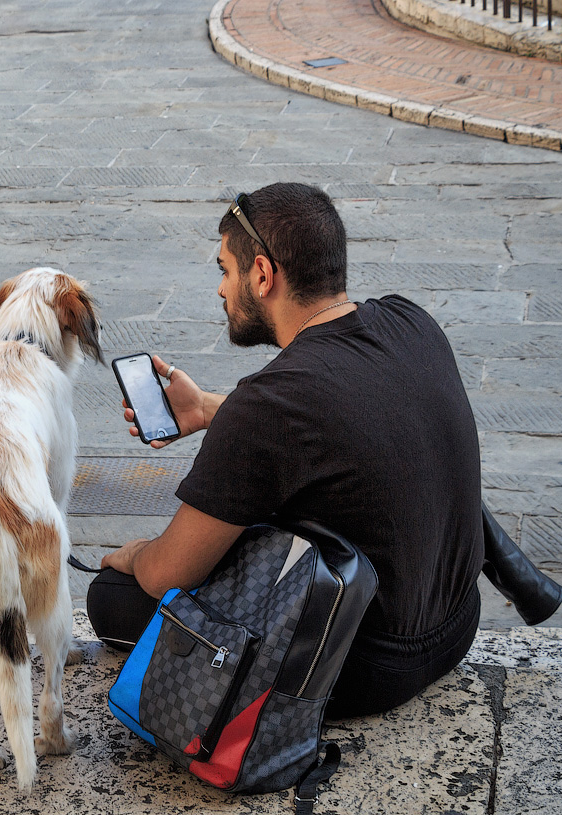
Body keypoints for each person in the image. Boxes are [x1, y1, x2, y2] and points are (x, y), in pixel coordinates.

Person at [87, 182, 486, 719]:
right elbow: (341, 416)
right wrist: (205, 408)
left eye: (226, 271)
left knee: (115, 595)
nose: (221, 289)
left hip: (360, 668)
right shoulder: (410, 320)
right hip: (456, 626)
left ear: (262, 274)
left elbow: (166, 576)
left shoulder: (269, 403)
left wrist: (135, 554)